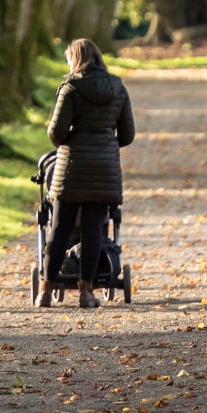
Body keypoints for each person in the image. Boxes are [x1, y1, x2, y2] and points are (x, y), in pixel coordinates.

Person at [39, 38, 133, 307]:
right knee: (94, 232)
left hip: (72, 167)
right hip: (104, 169)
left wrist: (73, 139)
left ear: (75, 59)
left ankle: (45, 290)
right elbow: (127, 134)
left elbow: (56, 133)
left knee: (59, 230)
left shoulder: (71, 88)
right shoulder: (118, 87)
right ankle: (86, 292)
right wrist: (105, 143)